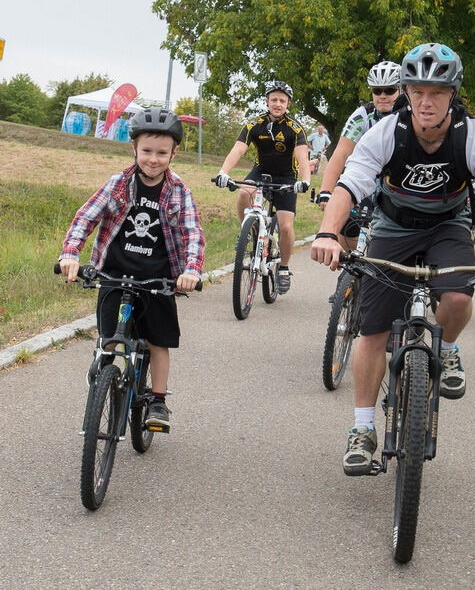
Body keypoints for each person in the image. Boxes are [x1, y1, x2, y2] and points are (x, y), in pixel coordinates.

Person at [309, 42, 475, 476]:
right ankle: (362, 429)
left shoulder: (473, 136)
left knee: (457, 299)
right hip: (393, 226)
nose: (426, 102)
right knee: (373, 329)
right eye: (417, 92)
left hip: (447, 225)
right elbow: (349, 184)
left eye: (437, 92)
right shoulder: (386, 131)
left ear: (453, 94)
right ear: (406, 93)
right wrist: (326, 233)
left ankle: (447, 349)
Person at [58, 108, 205, 429]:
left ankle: (158, 400)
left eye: (162, 153)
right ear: (134, 149)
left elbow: (192, 233)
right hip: (114, 273)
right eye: (147, 151)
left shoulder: (179, 191)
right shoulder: (118, 184)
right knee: (110, 340)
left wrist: (191, 271)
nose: (154, 159)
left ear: (174, 153)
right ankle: (106, 365)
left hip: (159, 279)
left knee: (158, 342)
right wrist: (70, 253)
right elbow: (86, 218)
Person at [214, 81, 310, 293]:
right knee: (243, 193)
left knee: (285, 226)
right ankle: (247, 231)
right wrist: (224, 172)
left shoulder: (294, 128)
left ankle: (283, 268)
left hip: (286, 177)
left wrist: (305, 180)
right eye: (274, 99)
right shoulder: (254, 124)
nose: (277, 104)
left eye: (282, 101)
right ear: (267, 102)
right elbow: (238, 149)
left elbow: (302, 156)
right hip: (261, 172)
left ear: (288, 104)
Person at [315, 61, 402, 251]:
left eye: (390, 90)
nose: (383, 96)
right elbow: (341, 153)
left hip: (398, 181)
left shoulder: (409, 114)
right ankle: (355, 274)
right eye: (377, 91)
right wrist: (326, 191)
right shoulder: (363, 115)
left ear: (401, 90)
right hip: (367, 180)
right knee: (345, 227)